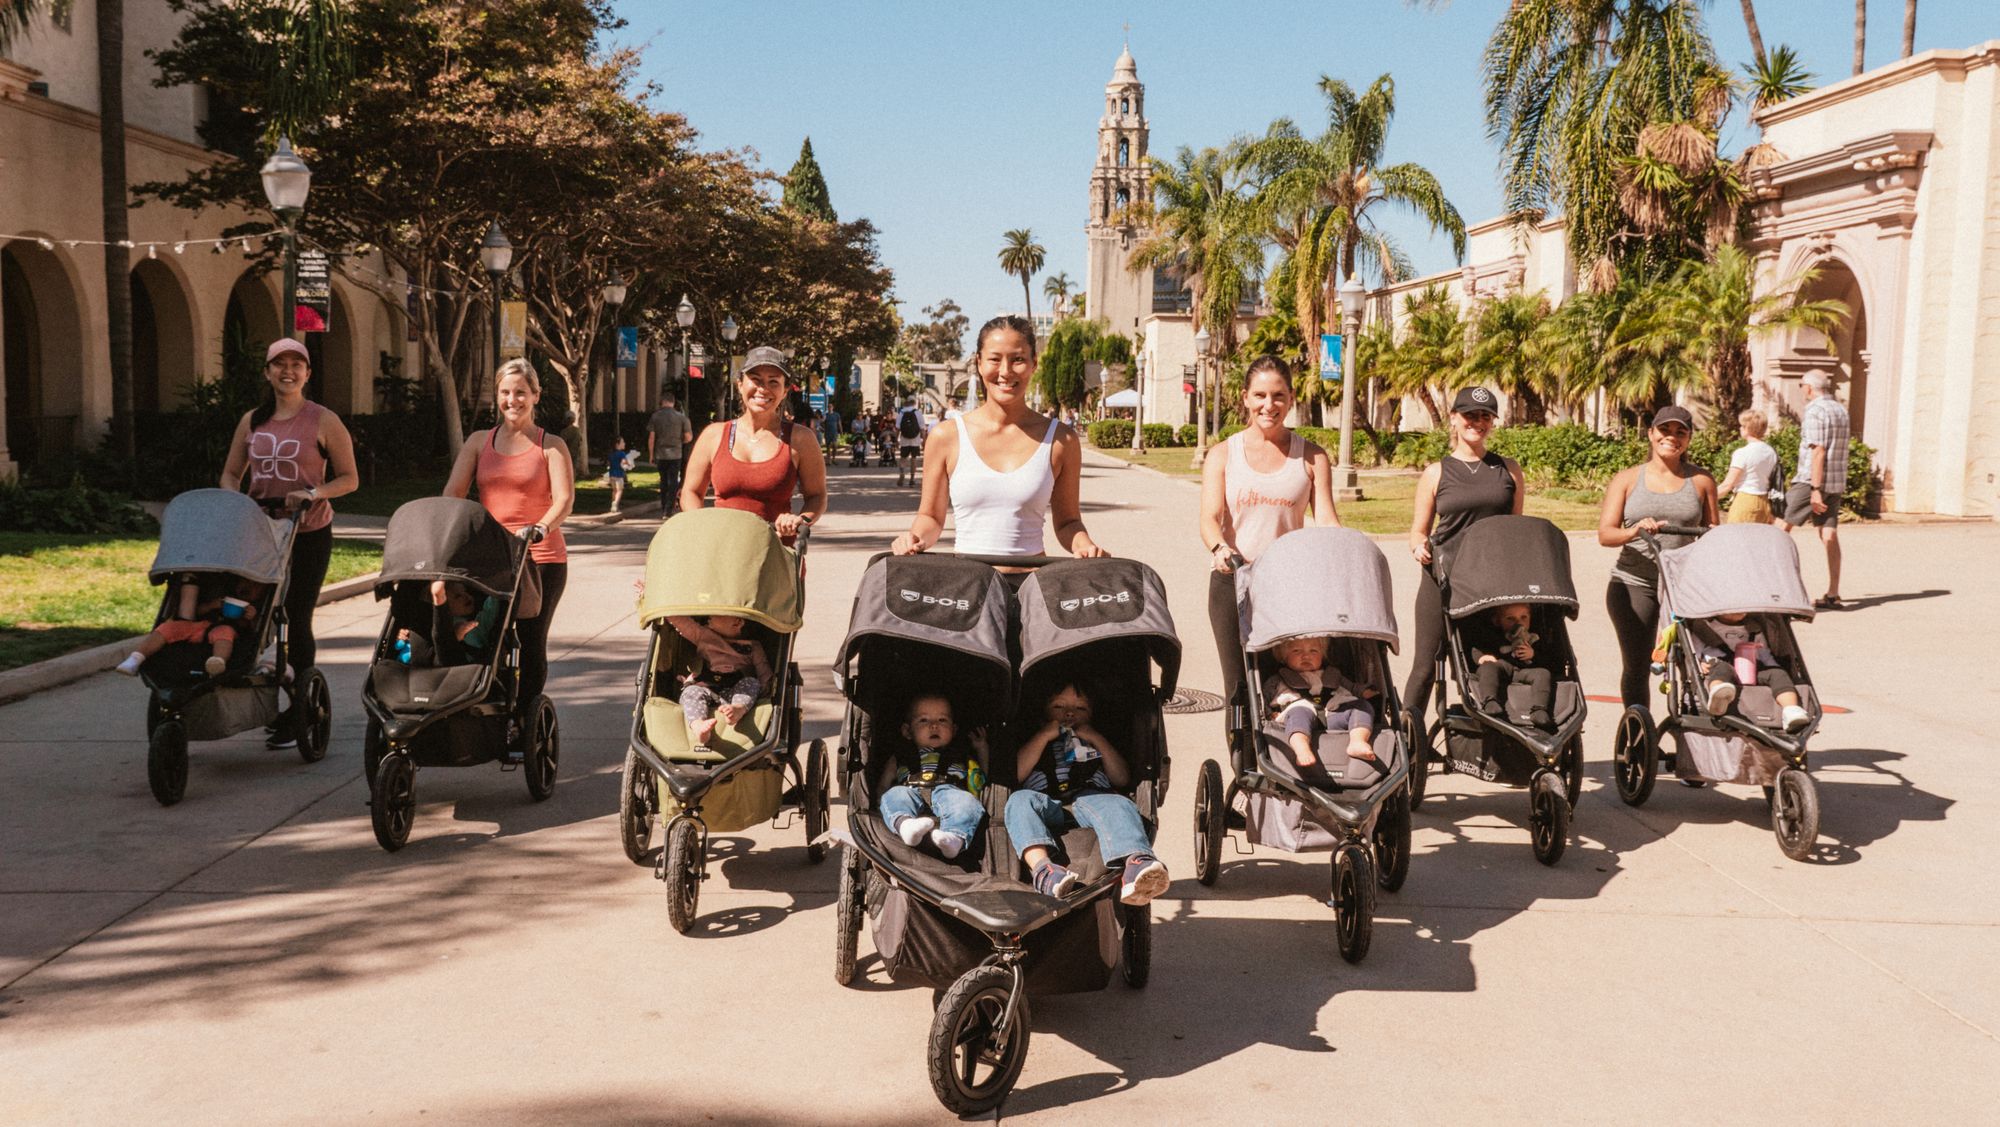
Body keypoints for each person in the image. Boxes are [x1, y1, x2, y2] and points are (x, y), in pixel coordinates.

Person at [220, 337, 359, 748]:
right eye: (279, 364)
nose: (288, 371)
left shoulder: (323, 420)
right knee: (250, 613)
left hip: (308, 531)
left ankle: (296, 708)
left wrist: (314, 494)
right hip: (260, 531)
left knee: (296, 617)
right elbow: (231, 472)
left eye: (297, 365)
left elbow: (349, 478)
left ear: (307, 374)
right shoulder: (252, 420)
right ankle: (250, 690)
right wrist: (233, 500)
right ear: (267, 372)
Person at [893, 315, 1107, 560]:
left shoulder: (1061, 440)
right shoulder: (946, 436)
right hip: (969, 589)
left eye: (1018, 360)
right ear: (979, 363)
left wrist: (1084, 545)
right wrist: (914, 538)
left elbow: (1068, 522)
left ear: (1033, 364)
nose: (1005, 372)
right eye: (994, 359)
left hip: (1032, 587)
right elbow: (930, 517)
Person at [1200, 355, 1340, 707]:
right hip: (1233, 581)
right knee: (1239, 688)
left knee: (1283, 680)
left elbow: (1326, 520)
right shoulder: (1222, 454)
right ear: (1245, 397)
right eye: (1260, 395)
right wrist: (1220, 549)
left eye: (1278, 396)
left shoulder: (1312, 457)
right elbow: (1209, 518)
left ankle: (1285, 753)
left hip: (1290, 584)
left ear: (1291, 398)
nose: (1269, 405)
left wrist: (1346, 550)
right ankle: (1243, 759)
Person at [443, 358, 574, 727]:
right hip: (491, 560)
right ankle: (486, 705)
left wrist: (540, 527)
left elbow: (563, 501)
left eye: (520, 392)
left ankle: (523, 718)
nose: (512, 399)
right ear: (496, 396)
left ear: (535, 395)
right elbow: (454, 493)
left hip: (540, 557)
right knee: (484, 637)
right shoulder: (477, 443)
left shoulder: (550, 445)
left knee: (530, 641)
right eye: (505, 392)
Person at [1403, 386, 1525, 728]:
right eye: (1471, 415)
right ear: (1454, 419)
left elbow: (1516, 528)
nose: (1478, 422)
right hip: (1443, 577)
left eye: (1486, 416)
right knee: (1425, 665)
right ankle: (1404, 738)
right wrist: (1418, 546)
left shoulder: (1509, 470)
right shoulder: (1436, 472)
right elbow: (1418, 529)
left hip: (1490, 582)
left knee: (1484, 661)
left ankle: (1495, 736)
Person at [1598, 404, 1720, 712]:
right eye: (1665, 430)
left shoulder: (1702, 481)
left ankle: (1691, 733)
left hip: (1685, 585)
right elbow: (1606, 534)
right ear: (1651, 434)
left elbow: (1715, 533)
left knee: (1695, 663)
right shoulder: (1626, 479)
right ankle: (1640, 735)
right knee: (1638, 665)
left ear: (1689, 439)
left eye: (1681, 432)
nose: (1672, 437)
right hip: (1635, 583)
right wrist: (1635, 531)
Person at [1004, 680, 1168, 906]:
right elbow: (1016, 775)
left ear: (1091, 715)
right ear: (1044, 712)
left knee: (1119, 804)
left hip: (1091, 798)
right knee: (1018, 801)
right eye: (1059, 707)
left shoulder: (1096, 740)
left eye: (1080, 708)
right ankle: (1044, 870)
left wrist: (1096, 739)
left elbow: (1121, 778)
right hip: (1045, 800)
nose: (1069, 713)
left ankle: (1137, 862)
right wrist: (1043, 736)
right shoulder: (1036, 738)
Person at [680, 346, 827, 543]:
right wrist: (702, 525)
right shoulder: (713, 435)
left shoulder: (800, 439)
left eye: (773, 382)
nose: (763, 389)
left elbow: (817, 496)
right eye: (755, 380)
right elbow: (691, 491)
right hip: (721, 552)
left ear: (784, 391)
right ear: (740, 384)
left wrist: (800, 520)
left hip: (776, 555)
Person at [1778, 369, 1852, 609]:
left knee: (1778, 528)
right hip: (1836, 481)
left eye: (1801, 385)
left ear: (1809, 387)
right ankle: (1833, 592)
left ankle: (1774, 589)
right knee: (1828, 533)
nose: (1801, 390)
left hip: (1811, 481)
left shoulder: (1815, 411)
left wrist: (1815, 488)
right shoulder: (1840, 409)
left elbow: (1817, 450)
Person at [878, 694, 985, 860]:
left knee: (967, 802)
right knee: (894, 795)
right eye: (924, 720)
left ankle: (953, 838)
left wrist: (981, 749)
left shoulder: (961, 755)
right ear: (907, 731)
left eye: (942, 720)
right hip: (910, 789)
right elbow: (883, 786)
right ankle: (906, 826)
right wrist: (881, 800)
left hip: (950, 791)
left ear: (954, 729)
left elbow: (982, 778)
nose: (934, 726)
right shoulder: (900, 757)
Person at [1265, 635, 1378, 784]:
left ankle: (1357, 741)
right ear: (1283, 657)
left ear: (1322, 655)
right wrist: (1269, 713)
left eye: (1313, 651)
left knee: (1361, 706)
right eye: (1296, 651)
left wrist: (1365, 692)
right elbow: (1264, 698)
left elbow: (1353, 688)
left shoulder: (1333, 675)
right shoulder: (1277, 679)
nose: (1306, 655)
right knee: (1299, 714)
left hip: (1334, 712)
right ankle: (1301, 749)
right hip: (1300, 710)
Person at [116, 574, 266, 678]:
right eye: (245, 582)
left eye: (255, 586)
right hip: (201, 625)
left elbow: (255, 631)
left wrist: (251, 618)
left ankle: (218, 662)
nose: (248, 587)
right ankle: (135, 658)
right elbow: (197, 612)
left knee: (223, 633)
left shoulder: (256, 607)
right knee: (170, 628)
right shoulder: (223, 596)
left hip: (228, 630)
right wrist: (211, 606)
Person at [1690, 611, 1811, 733]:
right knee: (1722, 669)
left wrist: (1774, 669)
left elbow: (1764, 654)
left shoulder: (1753, 627)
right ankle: (1718, 695)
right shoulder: (1705, 627)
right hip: (1719, 664)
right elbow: (1695, 650)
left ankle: (1791, 710)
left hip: (1750, 667)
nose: (1742, 611)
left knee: (1777, 674)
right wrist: (1698, 663)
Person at [667, 612, 773, 747]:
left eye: (717, 613)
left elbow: (763, 671)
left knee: (752, 682)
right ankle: (698, 725)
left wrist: (766, 690)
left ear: (737, 622)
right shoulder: (703, 635)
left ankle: (738, 709)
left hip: (736, 691)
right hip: (707, 688)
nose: (709, 614)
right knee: (691, 691)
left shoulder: (752, 646)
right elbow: (681, 622)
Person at [1467, 602, 1554, 728]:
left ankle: (1539, 709)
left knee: (1543, 673)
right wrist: (1481, 657)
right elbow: (1476, 648)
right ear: (1497, 621)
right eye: (1510, 618)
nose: (1518, 623)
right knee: (1488, 667)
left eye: (1524, 617)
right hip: (1501, 666)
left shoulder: (1536, 637)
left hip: (1526, 671)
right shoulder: (1492, 635)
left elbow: (1550, 659)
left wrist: (1533, 654)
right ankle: (1490, 701)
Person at [1719, 409, 1780, 525]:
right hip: (1764, 501)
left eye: (1742, 426)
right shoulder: (1770, 452)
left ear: (1748, 428)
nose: (1740, 428)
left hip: (1745, 500)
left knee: (1737, 538)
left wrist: (1707, 497)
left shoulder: (1742, 453)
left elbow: (1728, 484)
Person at [645, 390, 693, 516]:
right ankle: (669, 508)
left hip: (660, 454)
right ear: (673, 402)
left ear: (663, 402)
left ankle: (663, 505)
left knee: (663, 480)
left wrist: (651, 455)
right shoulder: (682, 418)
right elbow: (688, 437)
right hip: (676, 453)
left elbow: (651, 437)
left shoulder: (655, 417)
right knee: (673, 481)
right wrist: (679, 440)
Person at [894, 398, 928, 488]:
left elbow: (897, 428)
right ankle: (912, 479)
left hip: (904, 439)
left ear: (905, 403)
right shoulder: (918, 413)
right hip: (915, 440)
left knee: (903, 458)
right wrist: (924, 440)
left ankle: (902, 473)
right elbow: (922, 428)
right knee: (913, 459)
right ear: (913, 403)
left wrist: (895, 440)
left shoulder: (901, 413)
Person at [606, 436, 634, 513]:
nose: (624, 443)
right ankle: (615, 504)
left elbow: (608, 464)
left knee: (614, 490)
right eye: (623, 442)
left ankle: (613, 505)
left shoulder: (611, 454)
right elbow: (623, 462)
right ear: (617, 444)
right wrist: (629, 464)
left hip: (612, 474)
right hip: (619, 475)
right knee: (620, 490)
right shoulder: (621, 454)